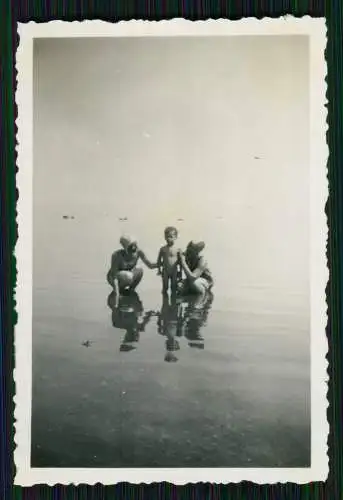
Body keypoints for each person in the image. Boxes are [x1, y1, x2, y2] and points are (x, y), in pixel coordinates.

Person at [157, 226, 182, 295]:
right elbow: (159, 260)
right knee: (165, 287)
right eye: (167, 236)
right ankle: (164, 304)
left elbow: (181, 262)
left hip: (174, 271)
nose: (168, 238)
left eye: (171, 237)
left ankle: (173, 303)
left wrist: (180, 273)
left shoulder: (178, 250)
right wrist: (159, 270)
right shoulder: (163, 249)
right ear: (164, 237)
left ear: (175, 237)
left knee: (173, 287)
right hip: (165, 271)